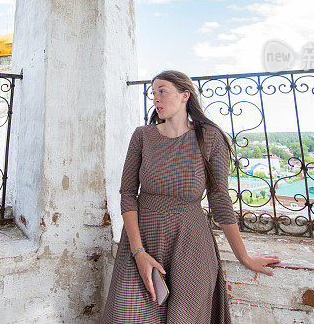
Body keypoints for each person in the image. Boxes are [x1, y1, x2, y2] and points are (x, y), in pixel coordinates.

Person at [102, 70, 280, 323]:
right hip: (143, 240)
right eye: (153, 93)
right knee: (127, 314)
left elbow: (220, 199)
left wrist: (244, 256)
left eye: (162, 91)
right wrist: (139, 252)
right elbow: (128, 195)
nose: (156, 99)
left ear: (185, 95)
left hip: (191, 243)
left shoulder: (210, 137)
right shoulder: (143, 136)